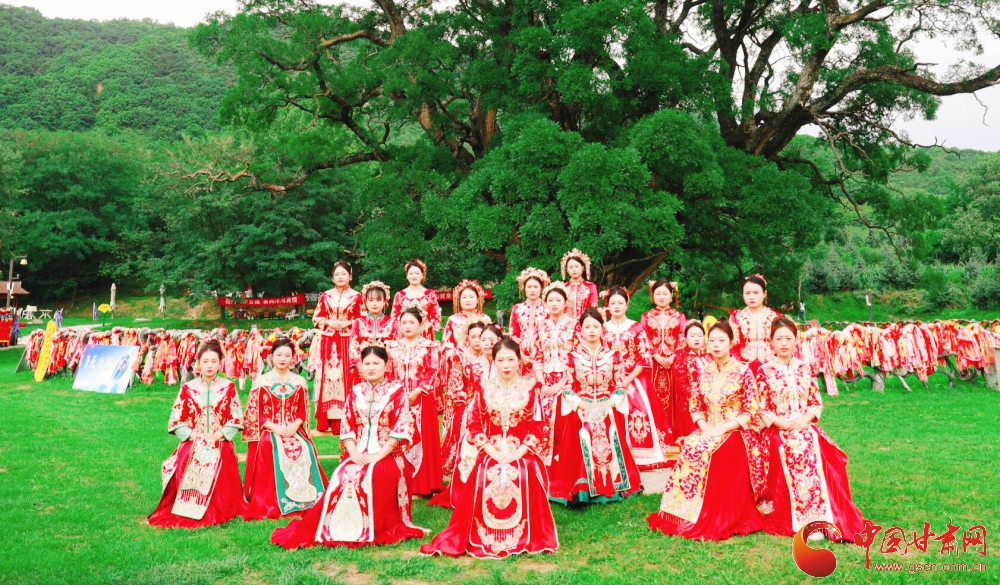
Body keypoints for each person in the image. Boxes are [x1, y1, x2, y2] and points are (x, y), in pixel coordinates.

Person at [271, 346, 428, 549]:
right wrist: (353, 453)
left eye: (376, 363)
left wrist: (377, 456)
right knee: (343, 475)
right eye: (367, 363)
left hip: (388, 455)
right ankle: (336, 526)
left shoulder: (397, 391)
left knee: (376, 474)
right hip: (358, 453)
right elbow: (347, 425)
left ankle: (374, 526)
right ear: (360, 366)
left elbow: (400, 428)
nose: (371, 367)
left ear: (386, 365)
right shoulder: (355, 392)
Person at [421, 338, 559, 558]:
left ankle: (523, 533)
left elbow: (537, 426)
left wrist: (517, 453)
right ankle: (482, 533)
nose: (506, 365)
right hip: (491, 449)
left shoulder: (531, 389)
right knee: (485, 471)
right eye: (500, 360)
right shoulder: (484, 388)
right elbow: (474, 423)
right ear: (493, 361)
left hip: (521, 451)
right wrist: (491, 451)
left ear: (519, 361)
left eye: (511, 360)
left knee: (523, 471)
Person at [648, 321, 767, 541]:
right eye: (712, 341)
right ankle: (680, 513)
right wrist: (704, 428)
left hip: (736, 431)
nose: (716, 345)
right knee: (691, 447)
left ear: (731, 342)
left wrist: (723, 428)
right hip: (708, 429)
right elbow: (695, 405)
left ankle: (709, 513)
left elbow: (751, 410)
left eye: (721, 340)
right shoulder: (704, 372)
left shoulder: (743, 372)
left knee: (708, 452)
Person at [757, 318, 866, 541]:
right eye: (779, 339)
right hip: (776, 429)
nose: (784, 343)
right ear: (771, 342)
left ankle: (825, 517)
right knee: (789, 450)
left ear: (796, 341)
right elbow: (760, 408)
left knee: (818, 449)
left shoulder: (805, 368)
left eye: (788, 338)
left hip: (804, 424)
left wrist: (804, 420)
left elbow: (815, 403)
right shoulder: (763, 371)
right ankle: (802, 520)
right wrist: (782, 424)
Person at [548, 308, 642, 506]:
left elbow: (620, 385)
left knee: (606, 422)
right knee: (584, 426)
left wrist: (610, 403)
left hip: (607, 405)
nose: (591, 330)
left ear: (602, 329)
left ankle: (612, 483)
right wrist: (580, 405)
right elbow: (567, 387)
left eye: (595, 326)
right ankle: (582, 486)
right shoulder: (571, 357)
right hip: (581, 407)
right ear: (580, 330)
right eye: (587, 327)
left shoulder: (615, 356)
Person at [148, 341, 245, 528]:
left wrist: (218, 435)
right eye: (205, 361)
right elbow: (176, 419)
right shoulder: (188, 388)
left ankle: (220, 507)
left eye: (214, 361)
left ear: (220, 363)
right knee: (187, 455)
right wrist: (193, 436)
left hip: (220, 439)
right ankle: (186, 504)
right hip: (193, 439)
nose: (209, 365)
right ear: (199, 362)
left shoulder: (229, 387)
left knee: (222, 455)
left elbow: (236, 418)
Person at [242, 338, 327, 520]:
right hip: (269, 429)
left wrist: (295, 425)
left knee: (305, 447)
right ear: (271, 357)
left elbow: (302, 411)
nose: (282, 358)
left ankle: (308, 495)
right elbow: (254, 413)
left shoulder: (299, 381)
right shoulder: (261, 381)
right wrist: (275, 428)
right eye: (279, 355)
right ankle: (276, 497)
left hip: (293, 428)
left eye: (287, 355)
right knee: (271, 446)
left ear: (293, 358)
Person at [603, 286, 671, 469]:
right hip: (608, 380)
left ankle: (640, 456)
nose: (616, 306)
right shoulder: (602, 328)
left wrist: (627, 380)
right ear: (607, 306)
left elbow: (643, 358)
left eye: (620, 303)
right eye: (613, 303)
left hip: (633, 379)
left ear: (627, 305)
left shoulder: (636, 327)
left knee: (638, 411)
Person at [386, 307, 443, 497]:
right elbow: (388, 373)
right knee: (399, 438)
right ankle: (400, 483)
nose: (407, 326)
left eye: (412, 322)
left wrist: (416, 392)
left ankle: (422, 485)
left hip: (422, 399)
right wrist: (398, 394)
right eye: (404, 323)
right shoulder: (392, 347)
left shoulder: (429, 346)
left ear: (421, 325)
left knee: (422, 439)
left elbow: (432, 371)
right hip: (398, 399)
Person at [441, 323, 502, 479]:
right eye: (483, 339)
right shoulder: (473, 365)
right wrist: (470, 404)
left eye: (491, 340)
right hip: (475, 411)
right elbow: (457, 388)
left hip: (499, 413)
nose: (486, 343)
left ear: (499, 340)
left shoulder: (504, 364)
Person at [530, 283, 579, 466]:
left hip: (569, 380)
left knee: (565, 418)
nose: (554, 303)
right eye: (550, 300)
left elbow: (577, 357)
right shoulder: (541, 326)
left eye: (558, 300)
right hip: (545, 381)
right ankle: (544, 462)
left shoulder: (575, 325)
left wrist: (561, 384)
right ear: (545, 303)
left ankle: (566, 462)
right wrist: (542, 383)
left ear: (566, 302)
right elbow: (537, 357)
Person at [312, 260, 364, 432]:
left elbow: (363, 318)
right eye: (337, 274)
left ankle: (345, 418)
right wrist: (328, 322)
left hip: (348, 341)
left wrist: (347, 323)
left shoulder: (357, 297)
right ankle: (326, 420)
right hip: (328, 342)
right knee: (327, 377)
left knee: (347, 376)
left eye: (343, 274)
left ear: (350, 276)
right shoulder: (325, 296)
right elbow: (316, 317)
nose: (340, 277)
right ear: (332, 277)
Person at [640, 280, 686, 444]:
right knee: (653, 398)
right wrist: (655, 355)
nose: (661, 297)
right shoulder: (646, 317)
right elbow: (643, 338)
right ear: (653, 296)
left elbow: (683, 337)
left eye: (665, 293)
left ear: (671, 296)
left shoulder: (679, 317)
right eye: (658, 293)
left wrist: (673, 356)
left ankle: (674, 435)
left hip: (674, 363)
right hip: (653, 364)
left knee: (675, 399)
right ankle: (656, 436)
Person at [729, 274, 783, 369]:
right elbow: (732, 347)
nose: (751, 297)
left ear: (764, 293)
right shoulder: (736, 318)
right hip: (743, 367)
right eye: (747, 293)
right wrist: (738, 367)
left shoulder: (776, 317)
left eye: (756, 292)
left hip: (771, 367)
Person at [669, 321, 710, 439]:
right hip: (690, 403)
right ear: (686, 339)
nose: (696, 339)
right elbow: (681, 385)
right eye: (692, 336)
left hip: (710, 402)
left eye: (700, 335)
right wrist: (699, 396)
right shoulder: (680, 357)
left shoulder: (710, 357)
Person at [349, 281, 397, 369]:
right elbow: (353, 346)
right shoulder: (358, 322)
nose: (374, 303)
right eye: (371, 300)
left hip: (387, 368)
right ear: (365, 301)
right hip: (363, 368)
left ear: (385, 302)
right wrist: (360, 365)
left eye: (378, 300)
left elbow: (397, 346)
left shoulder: (393, 322)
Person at [390, 259, 441, 341]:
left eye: (417, 273)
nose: (414, 276)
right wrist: (405, 327)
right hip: (405, 334)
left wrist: (423, 328)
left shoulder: (430, 294)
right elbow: (394, 318)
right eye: (411, 273)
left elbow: (436, 316)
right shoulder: (399, 295)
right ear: (407, 276)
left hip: (425, 333)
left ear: (422, 275)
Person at [509, 267, 551, 363]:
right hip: (521, 355)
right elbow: (513, 334)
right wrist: (521, 355)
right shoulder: (517, 309)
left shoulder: (548, 309)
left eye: (535, 287)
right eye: (529, 287)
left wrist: (541, 355)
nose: (532, 290)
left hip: (544, 355)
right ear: (524, 288)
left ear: (541, 288)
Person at [559, 249, 598, 320]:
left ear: (582, 268)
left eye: (577, 266)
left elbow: (593, 307)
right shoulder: (563, 287)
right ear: (567, 269)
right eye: (571, 267)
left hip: (585, 322)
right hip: (566, 323)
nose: (574, 269)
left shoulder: (590, 286)